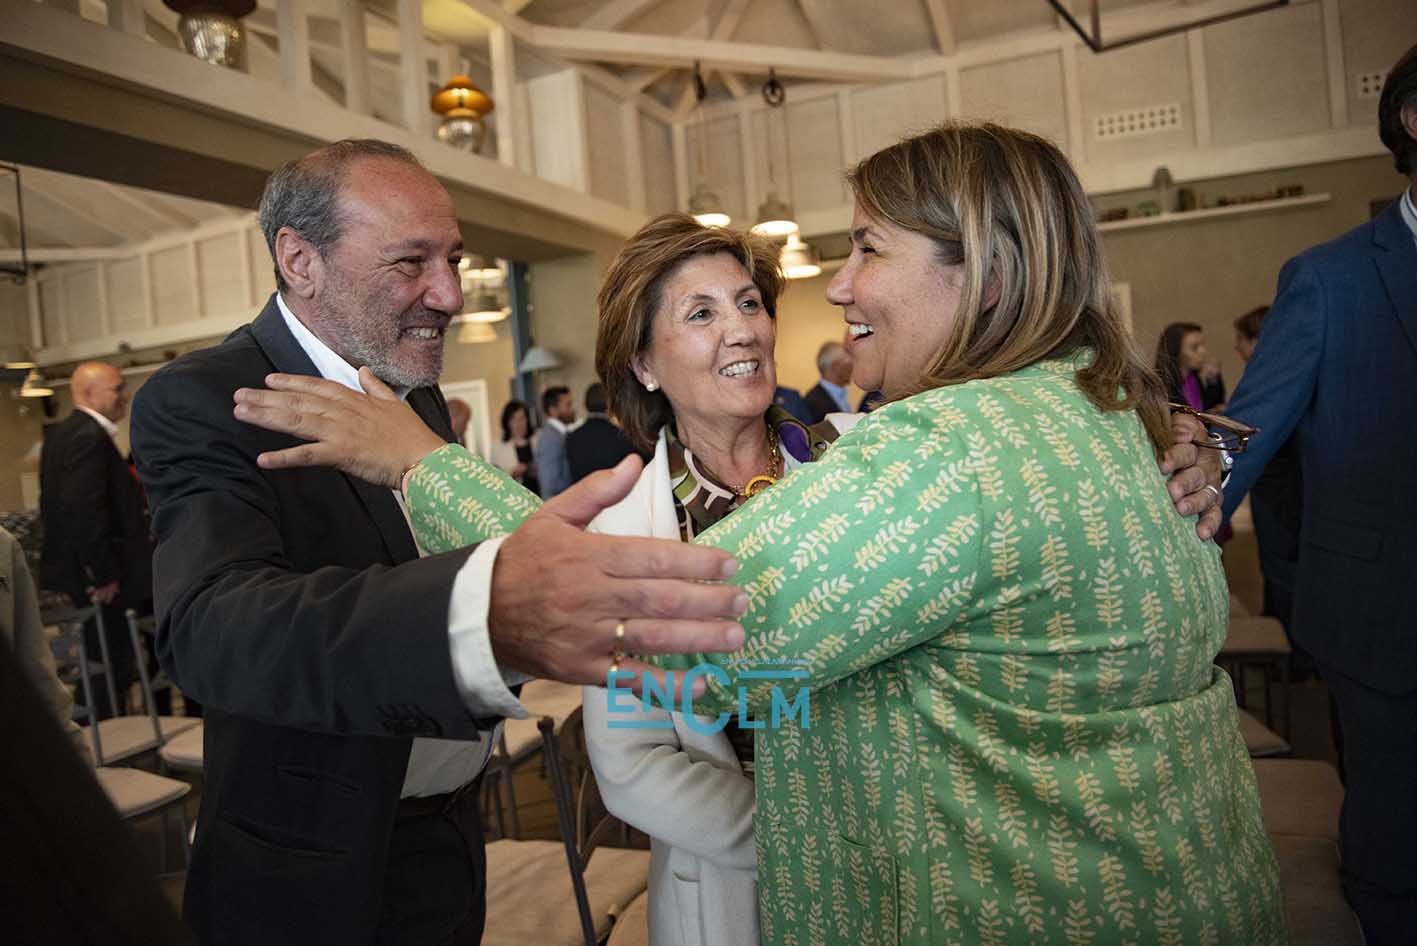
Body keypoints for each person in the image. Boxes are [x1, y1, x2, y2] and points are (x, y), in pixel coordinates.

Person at [232, 127, 1252, 946]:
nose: (835, 288)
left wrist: (423, 464)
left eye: (867, 248)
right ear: (643, 362)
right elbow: (641, 740)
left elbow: (664, 616)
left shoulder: (933, 452)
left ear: (984, 276)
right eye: (699, 314)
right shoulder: (1098, 417)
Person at [132, 139, 746, 946]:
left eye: (453, 259)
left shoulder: (413, 394)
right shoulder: (207, 396)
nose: (450, 295)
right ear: (299, 260)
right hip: (311, 869)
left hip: (448, 836)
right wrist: (480, 613)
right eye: (409, 262)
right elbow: (211, 628)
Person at [1219, 44, 1417, 945]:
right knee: (1395, 855)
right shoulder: (1329, 278)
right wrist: (1173, 505)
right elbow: (1248, 429)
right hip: (1385, 619)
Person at [39, 361, 152, 719]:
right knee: (108, 666)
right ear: (89, 393)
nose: (125, 396)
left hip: (91, 575)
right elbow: (84, 509)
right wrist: (102, 574)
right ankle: (109, 737)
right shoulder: (88, 437)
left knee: (101, 665)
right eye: (117, 388)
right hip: (104, 582)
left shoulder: (63, 434)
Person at [1232, 306, 1303, 636]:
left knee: (1281, 566)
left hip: (1280, 489)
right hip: (1276, 486)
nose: (1236, 346)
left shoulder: (1277, 375)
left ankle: (1286, 641)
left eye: (1241, 339)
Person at [565, 381, 638, 482]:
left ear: (585, 404)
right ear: (610, 405)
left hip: (584, 491)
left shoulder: (572, 438)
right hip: (616, 491)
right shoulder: (621, 436)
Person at [1155, 322, 1226, 411]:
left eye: (1203, 345)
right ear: (1176, 351)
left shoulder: (1193, 377)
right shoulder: (1162, 385)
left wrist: (1213, 381)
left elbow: (1209, 409)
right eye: (1194, 347)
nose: (1203, 352)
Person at [487, 399, 539, 494]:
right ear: (507, 422)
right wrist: (512, 473)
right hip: (514, 496)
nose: (518, 423)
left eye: (522, 418)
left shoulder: (538, 439)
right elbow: (494, 479)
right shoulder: (497, 446)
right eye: (513, 419)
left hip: (541, 494)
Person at [534, 384, 576, 498]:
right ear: (553, 410)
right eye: (568, 405)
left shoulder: (560, 435)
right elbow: (550, 483)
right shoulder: (550, 439)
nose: (572, 410)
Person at [802, 339, 854, 422]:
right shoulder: (813, 403)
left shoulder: (840, 395)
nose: (852, 368)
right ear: (836, 366)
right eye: (848, 364)